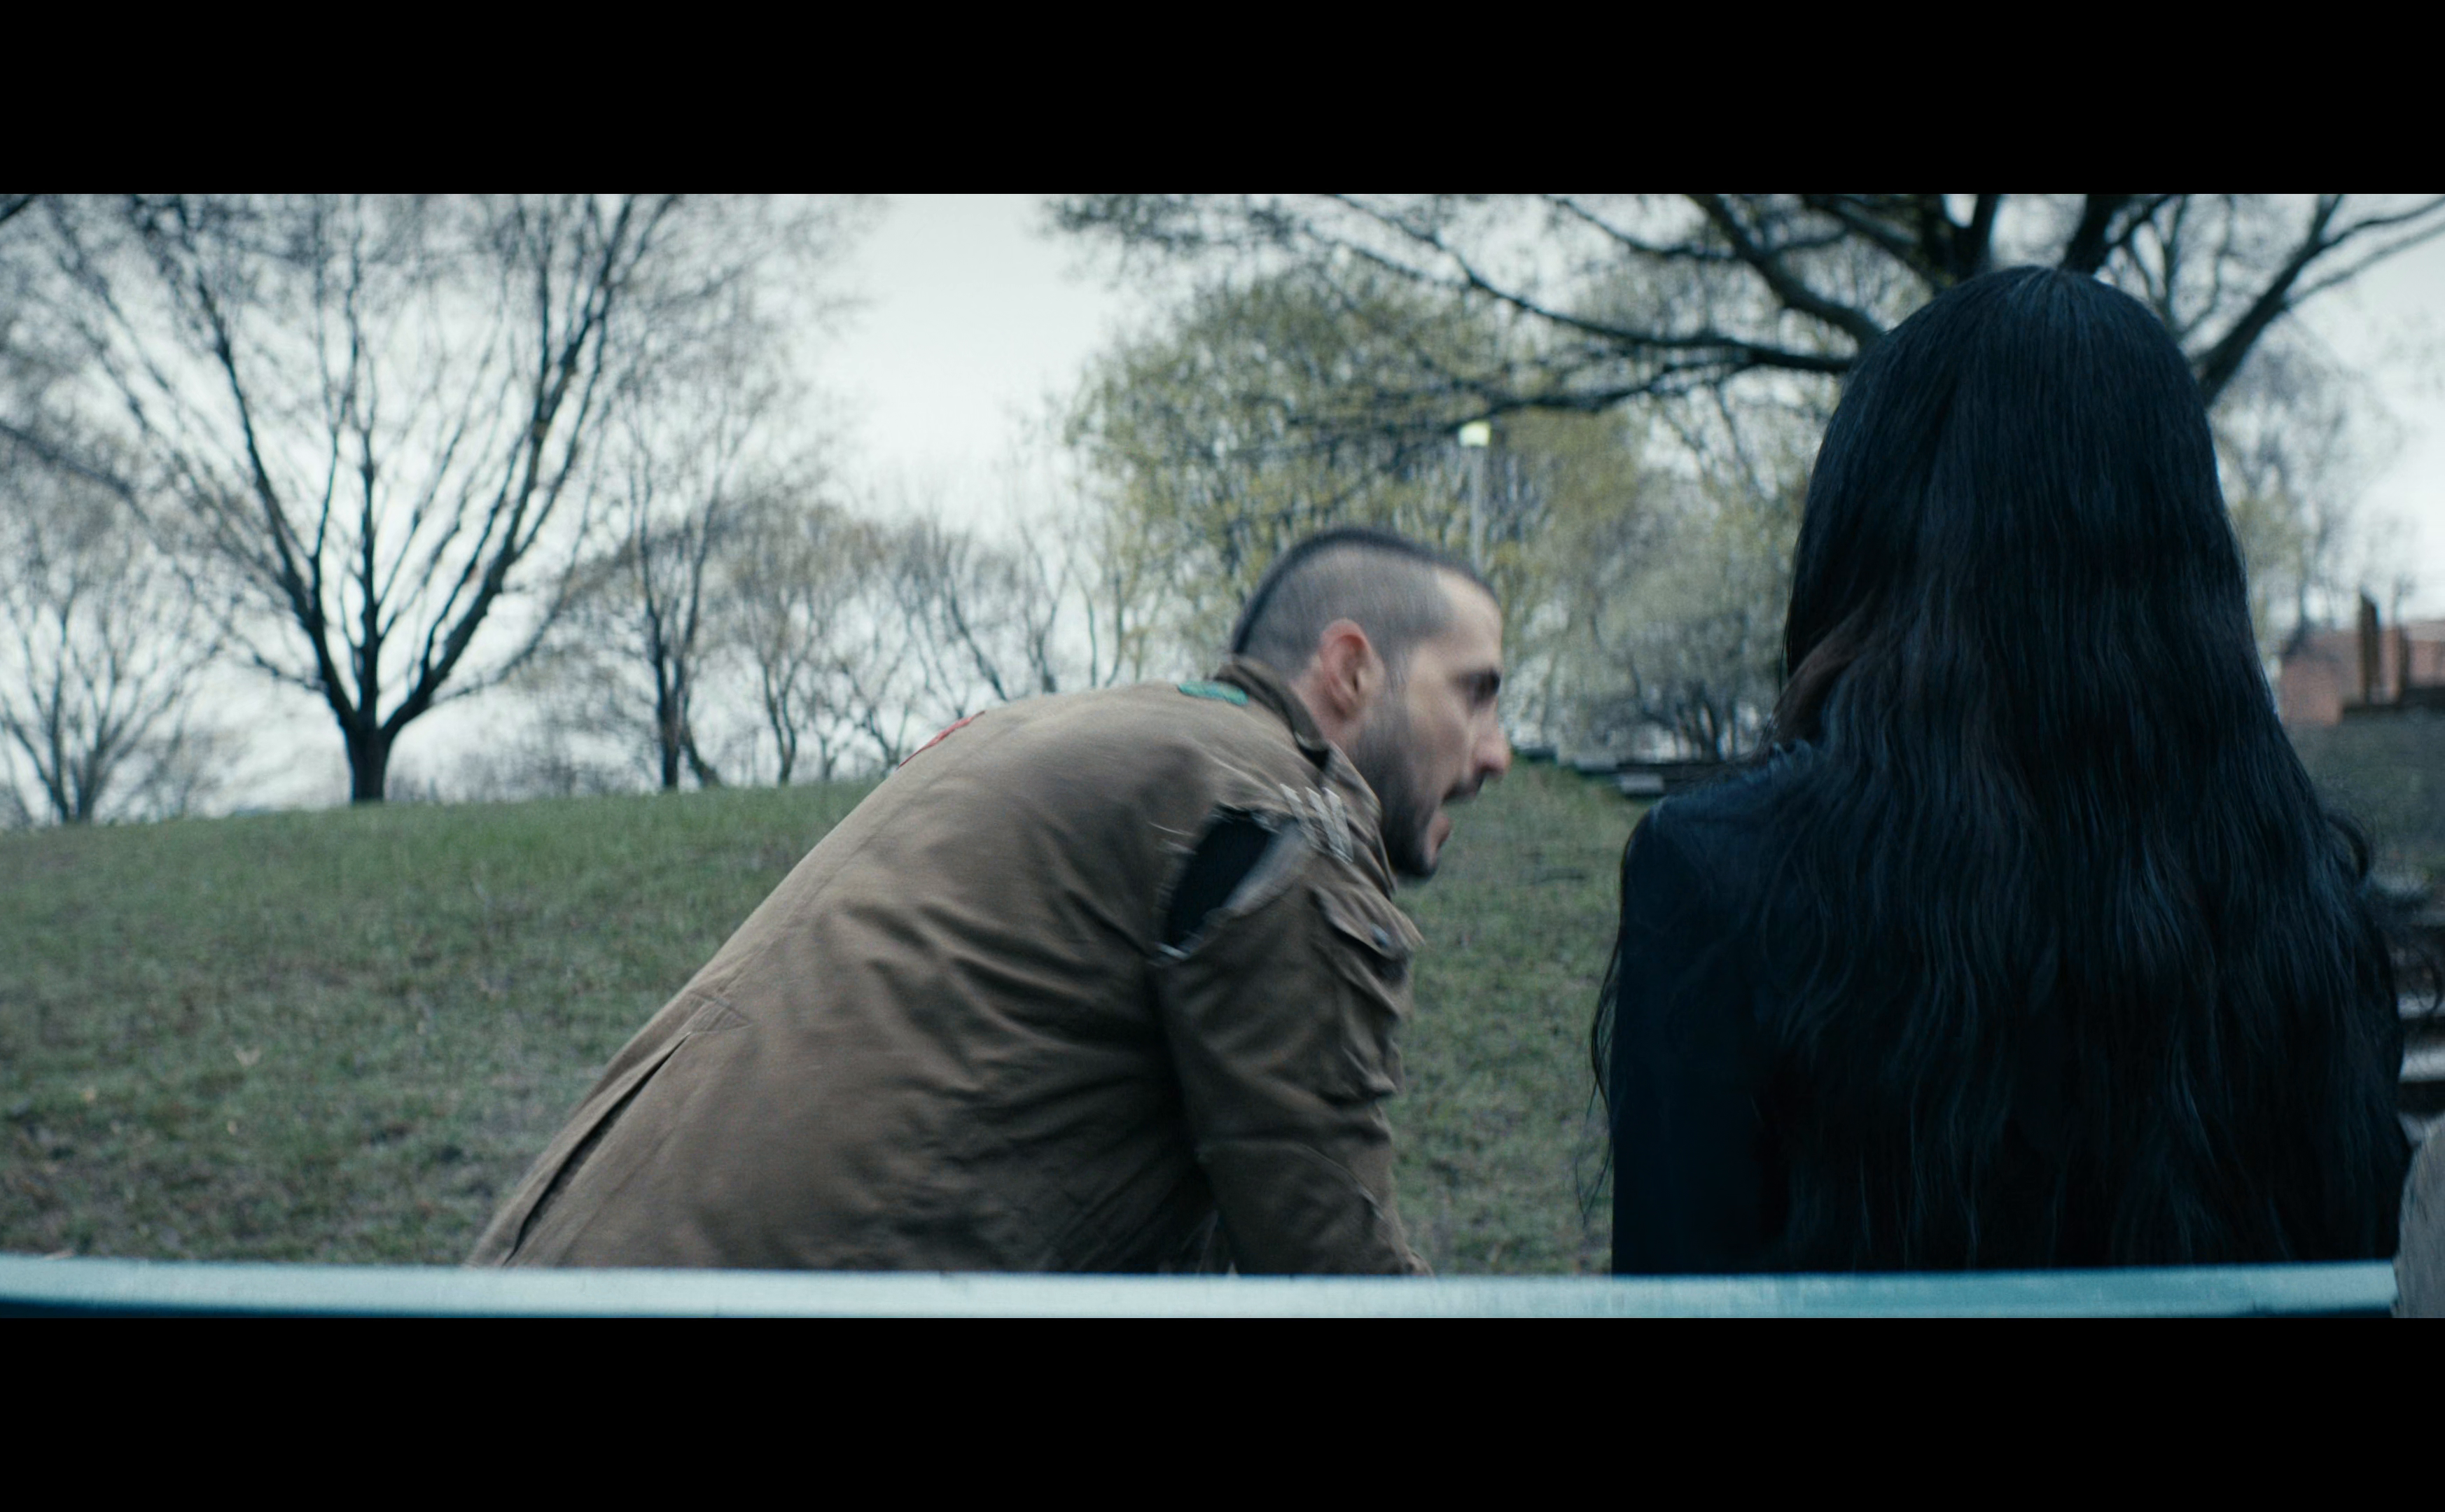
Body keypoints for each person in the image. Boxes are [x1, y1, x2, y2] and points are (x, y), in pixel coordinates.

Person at [1598, 267, 2409, 1274]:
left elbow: (1678, 1281)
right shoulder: (2303, 908)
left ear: (1870, 520)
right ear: (2189, 551)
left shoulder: (1719, 878)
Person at [470, 527, 1510, 1273]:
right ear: (1351, 669)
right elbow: (1323, 1254)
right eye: (1476, 693)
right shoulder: (1279, 800)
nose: (1496, 753)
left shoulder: (1087, 736)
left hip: (553, 1281)